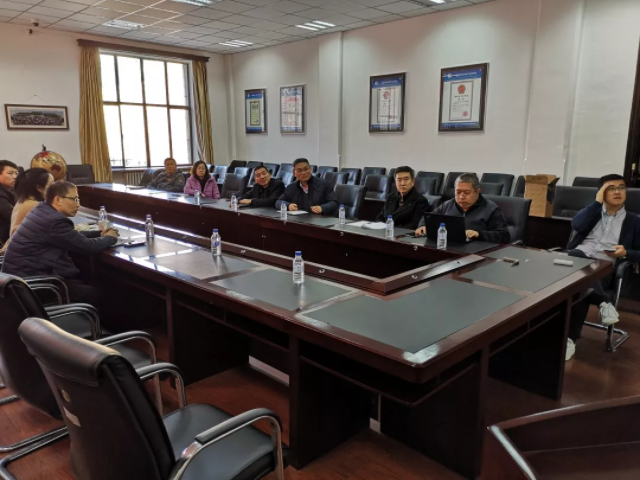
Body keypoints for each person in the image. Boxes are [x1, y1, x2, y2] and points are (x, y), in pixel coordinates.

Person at [1, 181, 119, 305]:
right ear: (58, 200)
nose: (78, 204)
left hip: (18, 280)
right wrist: (110, 238)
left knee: (84, 279)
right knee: (98, 293)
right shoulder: (55, 221)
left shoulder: (41, 210)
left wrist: (99, 233)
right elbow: (88, 246)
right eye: (74, 199)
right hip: (35, 285)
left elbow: (70, 236)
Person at [566, 174, 640, 361]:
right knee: (576, 259)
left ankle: (570, 339)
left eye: (621, 188)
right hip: (577, 262)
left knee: (580, 283)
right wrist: (596, 203)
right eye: (611, 188)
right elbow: (576, 225)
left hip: (605, 269)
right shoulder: (591, 212)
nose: (617, 192)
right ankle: (604, 303)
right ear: (601, 192)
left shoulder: (634, 221)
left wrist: (626, 252)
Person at [415, 173, 510, 243]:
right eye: (458, 192)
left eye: (467, 193)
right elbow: (428, 218)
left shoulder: (491, 209)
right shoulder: (447, 205)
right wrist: (422, 226)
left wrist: (479, 234)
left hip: (476, 254)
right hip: (448, 248)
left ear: (477, 191)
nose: (461, 197)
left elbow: (504, 235)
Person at [10, 168, 54, 236]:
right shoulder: (35, 206)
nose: (54, 187)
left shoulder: (23, 201)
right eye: (51, 184)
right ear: (39, 188)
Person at [0, 160, 19, 245]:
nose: (15, 177)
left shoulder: (13, 191)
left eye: (16, 173)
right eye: (10, 173)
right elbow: (11, 215)